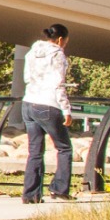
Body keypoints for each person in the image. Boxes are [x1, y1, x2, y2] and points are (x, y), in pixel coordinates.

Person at [21, 23, 73, 203]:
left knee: (35, 152)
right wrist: (66, 110)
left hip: (28, 102)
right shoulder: (58, 55)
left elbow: (27, 77)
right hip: (48, 104)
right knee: (64, 148)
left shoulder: (32, 52)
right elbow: (59, 84)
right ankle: (59, 189)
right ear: (60, 39)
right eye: (65, 41)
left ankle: (30, 195)